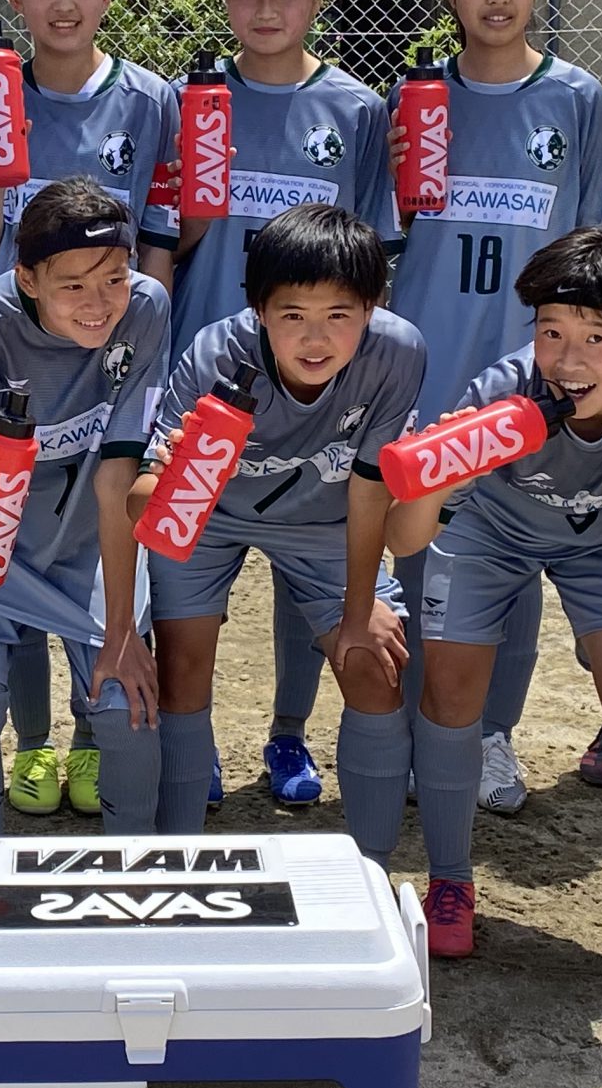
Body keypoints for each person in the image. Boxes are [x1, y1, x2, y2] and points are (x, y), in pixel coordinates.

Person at [384, 226, 602, 975]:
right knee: (447, 686)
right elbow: (407, 541)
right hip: (493, 530)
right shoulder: (505, 392)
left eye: (596, 337)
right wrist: (436, 473)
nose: (568, 361)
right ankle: (450, 883)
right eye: (550, 332)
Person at [386, 0, 602, 816]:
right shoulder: (411, 101)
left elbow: (601, 240)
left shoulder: (577, 99)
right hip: (431, 359)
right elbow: (381, 236)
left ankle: (491, 734)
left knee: (511, 547)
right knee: (423, 540)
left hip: (536, 375)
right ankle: (426, 726)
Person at [0, 0, 179, 819]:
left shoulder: (153, 100)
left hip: (109, 360)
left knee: (102, 525)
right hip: (24, 362)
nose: (64, 1)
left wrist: (124, 318)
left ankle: (92, 743)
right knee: (6, 536)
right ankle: (34, 748)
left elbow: (161, 240)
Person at [168, 0, 396, 809]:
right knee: (196, 576)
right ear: (225, 1)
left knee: (311, 577)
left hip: (314, 372)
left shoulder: (357, 111)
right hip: (214, 366)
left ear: (318, 0)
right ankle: (200, 750)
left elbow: (371, 251)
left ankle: (289, 738)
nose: (267, 9)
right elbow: (171, 235)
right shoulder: (190, 100)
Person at [135, 204, 419, 837]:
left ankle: (369, 866)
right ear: (259, 309)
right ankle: (181, 853)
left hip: (325, 521)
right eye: (293, 315)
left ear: (373, 308)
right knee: (181, 670)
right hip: (212, 519)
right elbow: (146, 504)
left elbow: (372, 492)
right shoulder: (215, 354)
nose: (315, 339)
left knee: (375, 662)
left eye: (339, 315)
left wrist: (359, 606)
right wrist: (174, 479)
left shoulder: (397, 353)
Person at [0, 179, 171, 834]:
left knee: (125, 694)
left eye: (114, 278)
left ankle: (136, 869)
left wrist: (123, 633)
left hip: (89, 529)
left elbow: (118, 476)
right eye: (73, 284)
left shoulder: (146, 306)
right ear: (29, 279)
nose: (100, 304)